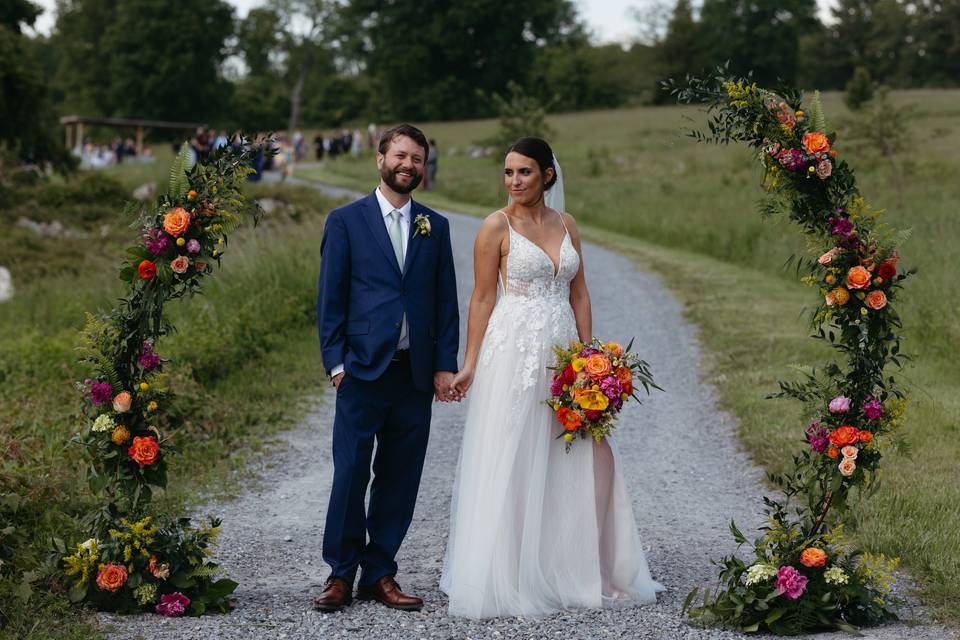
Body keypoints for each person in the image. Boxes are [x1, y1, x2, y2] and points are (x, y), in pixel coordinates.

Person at [439, 137, 664, 618]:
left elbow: (579, 293)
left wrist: (590, 358)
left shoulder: (568, 225)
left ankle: (582, 565)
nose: (514, 181)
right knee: (516, 451)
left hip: (564, 355)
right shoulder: (493, 227)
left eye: (524, 172)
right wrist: (471, 364)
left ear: (547, 175)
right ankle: (509, 568)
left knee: (583, 453)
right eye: (508, 172)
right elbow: (481, 299)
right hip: (513, 351)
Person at [314, 123, 460, 613]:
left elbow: (445, 304)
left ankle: (380, 573)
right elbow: (329, 299)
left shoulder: (434, 227)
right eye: (401, 156)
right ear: (381, 159)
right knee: (351, 473)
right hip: (360, 371)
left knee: (399, 478)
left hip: (413, 376)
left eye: (417, 158)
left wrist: (443, 366)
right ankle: (340, 574)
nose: (409, 165)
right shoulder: (345, 221)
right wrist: (336, 366)